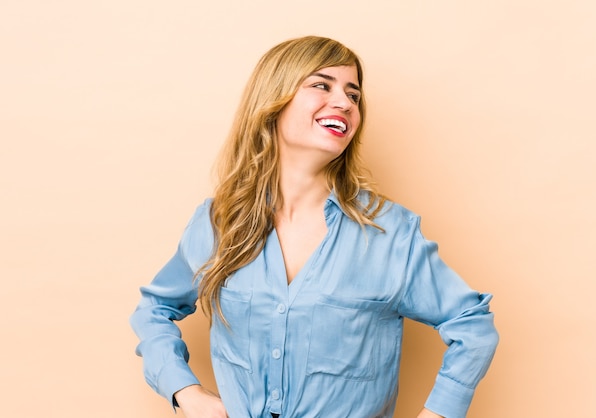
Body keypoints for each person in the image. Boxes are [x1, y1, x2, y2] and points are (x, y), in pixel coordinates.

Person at [130, 35, 499, 418]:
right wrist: (184, 391)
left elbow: (472, 327)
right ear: (274, 99)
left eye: (353, 95)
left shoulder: (390, 233)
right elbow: (153, 309)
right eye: (322, 85)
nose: (344, 103)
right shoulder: (219, 222)